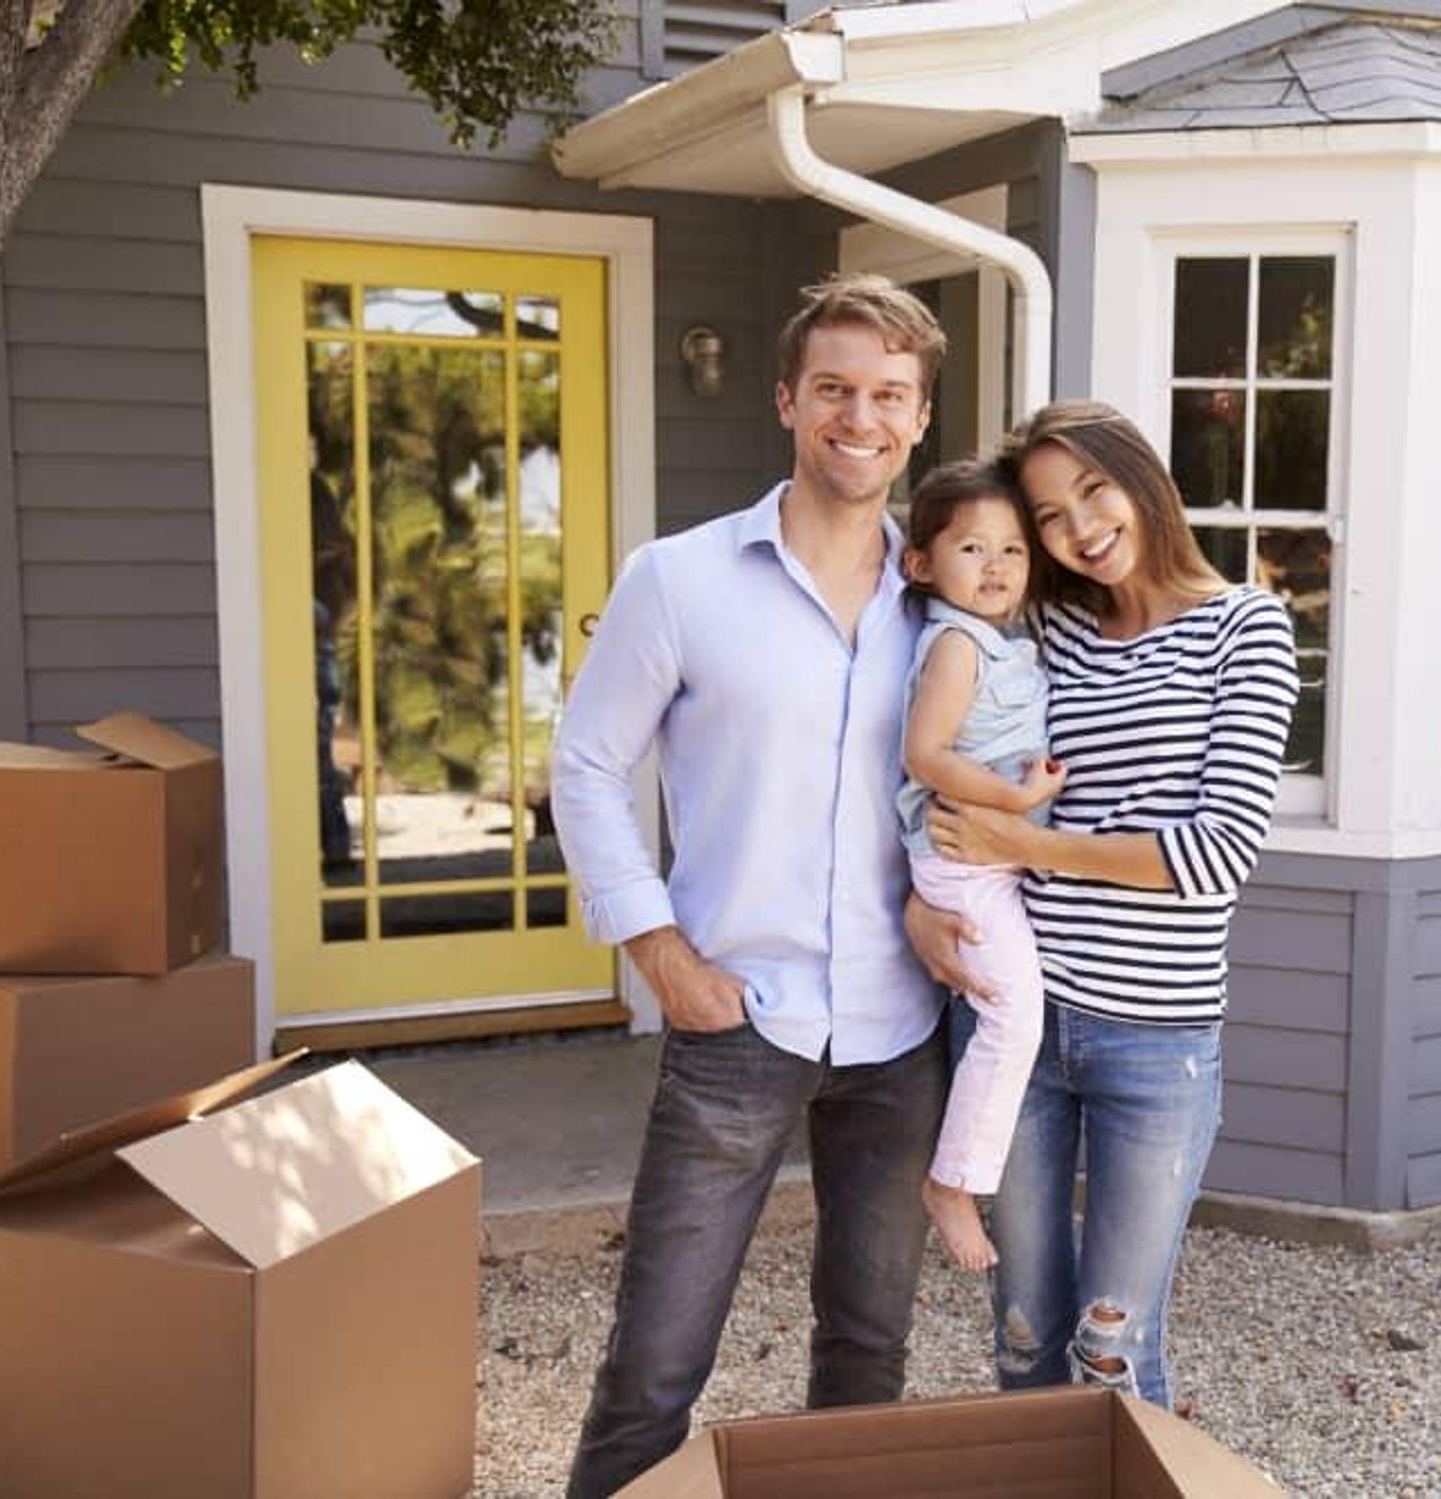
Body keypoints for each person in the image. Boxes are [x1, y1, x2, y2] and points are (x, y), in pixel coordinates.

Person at [550, 274, 949, 1498]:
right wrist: (657, 949)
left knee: (868, 1351)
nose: (858, 417)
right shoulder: (679, 578)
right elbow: (585, 762)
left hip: (901, 1026)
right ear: (786, 400)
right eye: (833, 388)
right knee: (655, 1365)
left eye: (887, 394)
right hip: (736, 1019)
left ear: (919, 417)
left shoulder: (943, 598)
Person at [908, 399, 1298, 1410]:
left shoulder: (1246, 628)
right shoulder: (1047, 628)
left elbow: (1215, 854)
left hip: (1156, 1043)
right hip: (1016, 1022)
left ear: (1142, 476)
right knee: (1022, 1332)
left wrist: (1025, 844)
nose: (1078, 528)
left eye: (1092, 491)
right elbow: (932, 738)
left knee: (1110, 1345)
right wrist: (918, 903)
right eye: (1048, 515)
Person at [895, 459, 1064, 1273]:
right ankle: (952, 1182)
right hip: (964, 858)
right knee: (1013, 1015)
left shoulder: (1006, 643)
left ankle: (960, 1174)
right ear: (921, 563)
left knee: (1012, 1007)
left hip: (993, 857)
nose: (996, 566)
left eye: (1013, 549)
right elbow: (925, 754)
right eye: (972, 548)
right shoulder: (957, 646)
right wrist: (1015, 798)